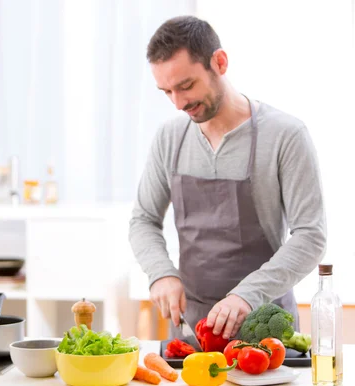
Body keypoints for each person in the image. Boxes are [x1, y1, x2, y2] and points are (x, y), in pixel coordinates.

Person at [129, 16, 326, 341]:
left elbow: (311, 236)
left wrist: (246, 295)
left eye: (186, 86)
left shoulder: (286, 136)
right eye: (167, 92)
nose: (178, 104)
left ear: (219, 62)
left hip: (268, 329)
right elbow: (143, 220)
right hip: (191, 330)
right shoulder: (169, 137)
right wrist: (161, 273)